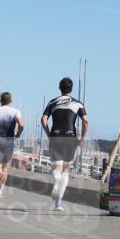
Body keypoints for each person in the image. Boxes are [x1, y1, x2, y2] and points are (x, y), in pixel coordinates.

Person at [40, 77, 88, 211]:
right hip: (70, 138)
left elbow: (43, 120)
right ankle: (58, 203)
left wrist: (49, 134)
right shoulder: (77, 103)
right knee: (66, 169)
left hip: (55, 136)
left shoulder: (52, 102)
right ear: (71, 89)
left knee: (56, 167)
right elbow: (85, 121)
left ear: (60, 88)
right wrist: (82, 138)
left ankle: (56, 180)